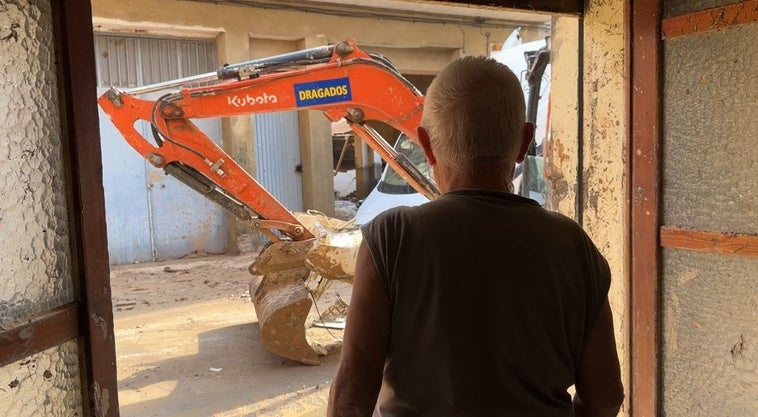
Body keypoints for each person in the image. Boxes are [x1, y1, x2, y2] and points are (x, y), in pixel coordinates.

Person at [328, 56, 624, 417]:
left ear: (427, 144)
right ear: (523, 143)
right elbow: (606, 396)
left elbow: (350, 398)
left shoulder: (392, 238)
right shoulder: (573, 246)